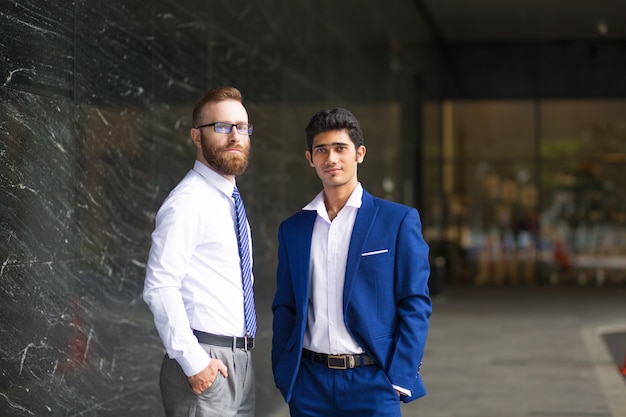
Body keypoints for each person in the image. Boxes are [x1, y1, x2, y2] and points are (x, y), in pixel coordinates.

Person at [271, 108, 431, 417]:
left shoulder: (397, 221)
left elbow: (415, 303)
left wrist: (399, 377)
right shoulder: (293, 230)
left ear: (359, 153)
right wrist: (283, 369)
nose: (331, 158)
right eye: (322, 150)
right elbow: (286, 306)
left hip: (372, 381)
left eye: (340, 148)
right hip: (309, 384)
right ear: (310, 158)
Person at [143, 86, 256, 417]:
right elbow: (159, 286)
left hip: (240, 362)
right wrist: (195, 363)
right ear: (197, 136)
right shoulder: (187, 202)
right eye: (221, 126)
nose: (235, 135)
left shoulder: (229, 200)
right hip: (205, 361)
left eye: (242, 127)